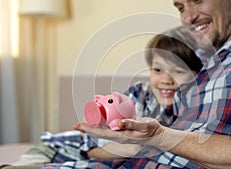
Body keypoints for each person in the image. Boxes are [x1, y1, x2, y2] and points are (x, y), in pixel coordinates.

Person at [69, 0, 231, 169]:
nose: (188, 18)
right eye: (180, 7)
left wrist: (159, 137)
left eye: (197, 1)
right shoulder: (199, 60)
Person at [0, 26, 202, 169]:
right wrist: (135, 148)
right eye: (157, 69)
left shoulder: (199, 110)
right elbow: (92, 150)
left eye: (178, 71)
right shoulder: (139, 95)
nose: (166, 80)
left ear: (198, 74)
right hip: (66, 149)